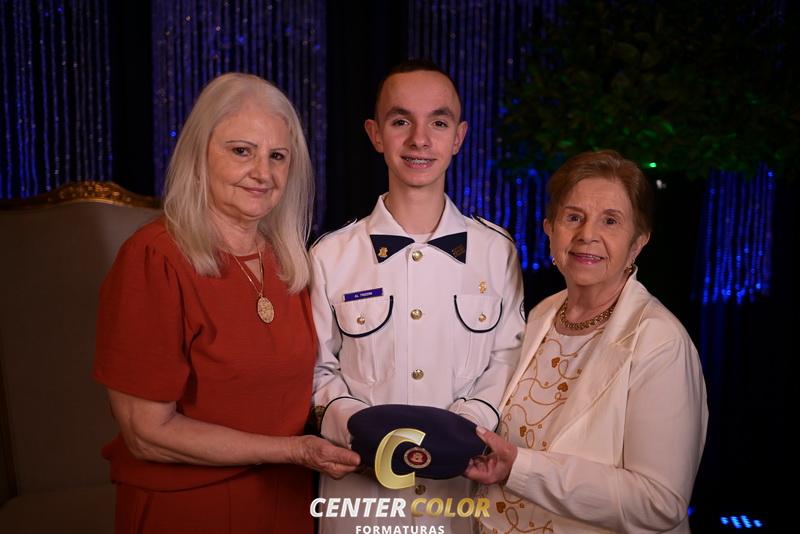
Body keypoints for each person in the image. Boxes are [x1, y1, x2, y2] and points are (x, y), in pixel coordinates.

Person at [92, 72, 359, 534]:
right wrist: (293, 451)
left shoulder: (290, 262)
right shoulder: (154, 258)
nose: (263, 173)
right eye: (241, 151)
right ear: (199, 154)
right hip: (191, 510)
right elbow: (147, 433)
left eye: (277, 156)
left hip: (289, 504)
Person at [311, 60, 525, 533]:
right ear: (375, 134)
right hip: (361, 501)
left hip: (460, 500)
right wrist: (357, 426)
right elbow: (315, 368)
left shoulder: (497, 251)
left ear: (459, 137)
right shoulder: (329, 256)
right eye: (401, 121)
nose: (420, 140)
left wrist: (465, 428)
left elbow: (509, 358)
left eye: (439, 123)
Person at [464, 150, 708, 533]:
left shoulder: (660, 342)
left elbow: (660, 502)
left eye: (610, 221)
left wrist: (521, 469)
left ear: (637, 242)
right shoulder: (542, 314)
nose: (587, 235)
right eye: (573, 217)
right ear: (550, 230)